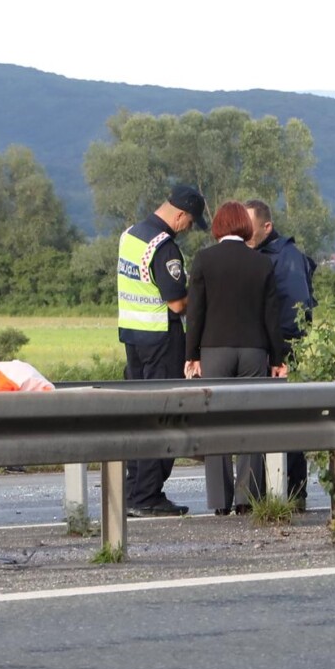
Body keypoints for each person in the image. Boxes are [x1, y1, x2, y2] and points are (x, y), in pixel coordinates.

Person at [184, 201, 289, 515]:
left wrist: (191, 356)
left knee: (216, 424)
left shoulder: (204, 260)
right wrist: (277, 358)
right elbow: (272, 315)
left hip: (215, 350)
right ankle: (247, 498)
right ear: (244, 226)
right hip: (254, 351)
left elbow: (195, 312)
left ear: (218, 227)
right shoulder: (261, 263)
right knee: (250, 422)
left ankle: (219, 502)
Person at [117, 184, 207, 517]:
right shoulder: (164, 247)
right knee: (163, 416)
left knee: (141, 418)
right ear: (181, 214)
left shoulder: (131, 234)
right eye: (189, 223)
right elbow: (177, 301)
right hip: (160, 338)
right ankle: (147, 496)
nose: (187, 229)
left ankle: (133, 491)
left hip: (133, 337)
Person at [244, 199, 317, 508]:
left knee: (285, 419)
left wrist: (280, 352)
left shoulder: (282, 258)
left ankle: (293, 492)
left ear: (267, 226)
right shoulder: (277, 253)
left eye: (249, 229)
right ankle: (286, 491)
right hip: (276, 345)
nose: (245, 236)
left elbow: (293, 311)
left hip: (282, 348)